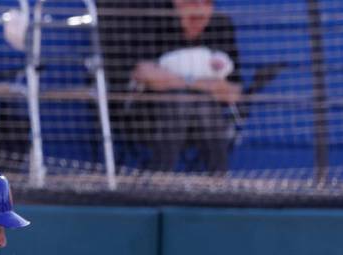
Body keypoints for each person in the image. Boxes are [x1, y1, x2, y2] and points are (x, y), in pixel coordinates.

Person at [99, 0, 242, 173]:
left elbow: (233, 92)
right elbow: (145, 74)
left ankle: (218, 179)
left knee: (203, 103)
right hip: (147, 120)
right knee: (181, 99)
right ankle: (160, 178)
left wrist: (179, 81)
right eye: (191, 2)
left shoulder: (221, 26)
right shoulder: (155, 21)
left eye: (206, 2)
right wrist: (200, 83)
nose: (199, 9)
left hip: (206, 122)